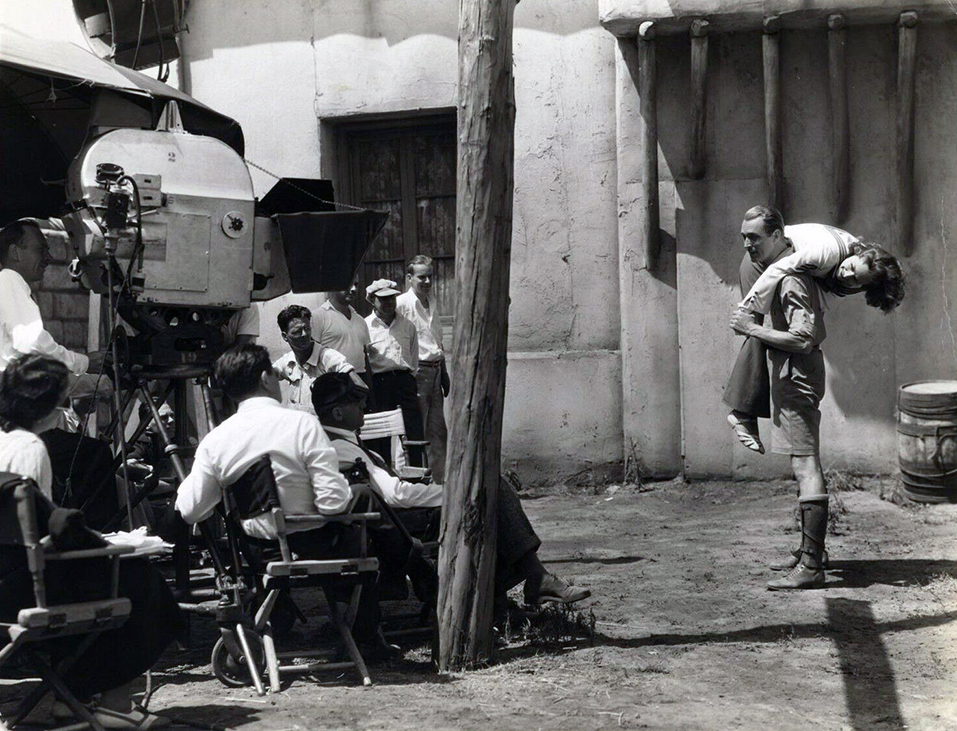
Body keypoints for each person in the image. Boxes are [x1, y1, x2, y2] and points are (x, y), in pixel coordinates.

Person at [0, 353, 183, 729]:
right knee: (137, 579)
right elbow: (37, 539)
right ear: (51, 407)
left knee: (99, 571)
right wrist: (108, 545)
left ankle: (74, 698)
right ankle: (115, 703)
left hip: (4, 584)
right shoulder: (31, 449)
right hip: (21, 590)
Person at [312, 371, 592, 609]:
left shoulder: (343, 442)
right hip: (400, 524)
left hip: (398, 517)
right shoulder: (340, 448)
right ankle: (516, 586)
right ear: (337, 412)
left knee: (488, 491)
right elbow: (396, 495)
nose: (363, 405)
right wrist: (452, 493)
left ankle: (514, 589)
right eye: (355, 402)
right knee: (488, 490)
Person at [174, 344, 384, 648]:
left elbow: (190, 510)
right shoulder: (302, 424)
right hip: (319, 548)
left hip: (260, 555)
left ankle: (277, 620)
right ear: (265, 378)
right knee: (359, 524)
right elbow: (333, 503)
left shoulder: (216, 440)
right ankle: (363, 636)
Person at [725, 207, 904, 453]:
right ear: (857, 253)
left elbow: (823, 301)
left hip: (783, 262)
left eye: (855, 279)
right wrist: (747, 308)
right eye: (851, 267)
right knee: (756, 329)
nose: (847, 274)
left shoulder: (857, 278)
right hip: (765, 260)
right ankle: (743, 414)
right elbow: (780, 268)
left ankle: (744, 413)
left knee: (771, 333)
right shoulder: (828, 252)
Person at [0, 219, 119, 528]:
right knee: (95, 457)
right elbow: (31, 343)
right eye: (41, 248)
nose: (49, 257)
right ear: (15, 252)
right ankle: (103, 547)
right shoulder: (9, 280)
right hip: (17, 419)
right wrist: (84, 362)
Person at [730, 251, 833, 591]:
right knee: (802, 463)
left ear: (777, 237)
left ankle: (811, 566)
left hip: (796, 375)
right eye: (744, 238)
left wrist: (752, 329)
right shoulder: (788, 273)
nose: (749, 245)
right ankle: (810, 552)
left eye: (755, 237)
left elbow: (802, 338)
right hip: (793, 374)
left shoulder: (789, 279)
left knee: (806, 465)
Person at [396, 255, 450, 484]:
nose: (427, 281)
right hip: (417, 374)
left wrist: (444, 371)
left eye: (430, 276)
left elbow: (437, 339)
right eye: (421, 277)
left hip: (436, 372)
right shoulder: (401, 304)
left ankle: (441, 485)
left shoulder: (432, 302)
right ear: (409, 278)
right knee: (416, 432)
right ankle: (418, 484)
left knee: (438, 432)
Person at [363, 279, 425, 467]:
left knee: (413, 429)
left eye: (392, 298)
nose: (389, 302)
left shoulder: (407, 325)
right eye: (383, 299)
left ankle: (416, 474)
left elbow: (413, 357)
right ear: (373, 300)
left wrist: (408, 379)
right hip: (379, 383)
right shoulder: (365, 326)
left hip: (405, 381)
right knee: (381, 432)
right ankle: (384, 473)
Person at [273, 304, 352, 413]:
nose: (304, 334)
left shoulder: (327, 357)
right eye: (297, 331)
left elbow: (359, 386)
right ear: (285, 336)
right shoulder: (287, 361)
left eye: (306, 328)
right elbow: (263, 379)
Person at [312, 282, 374, 391]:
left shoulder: (360, 320)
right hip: (334, 381)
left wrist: (369, 385)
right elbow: (312, 355)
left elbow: (364, 356)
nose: (354, 289)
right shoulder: (318, 316)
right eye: (348, 284)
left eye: (356, 284)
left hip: (360, 379)